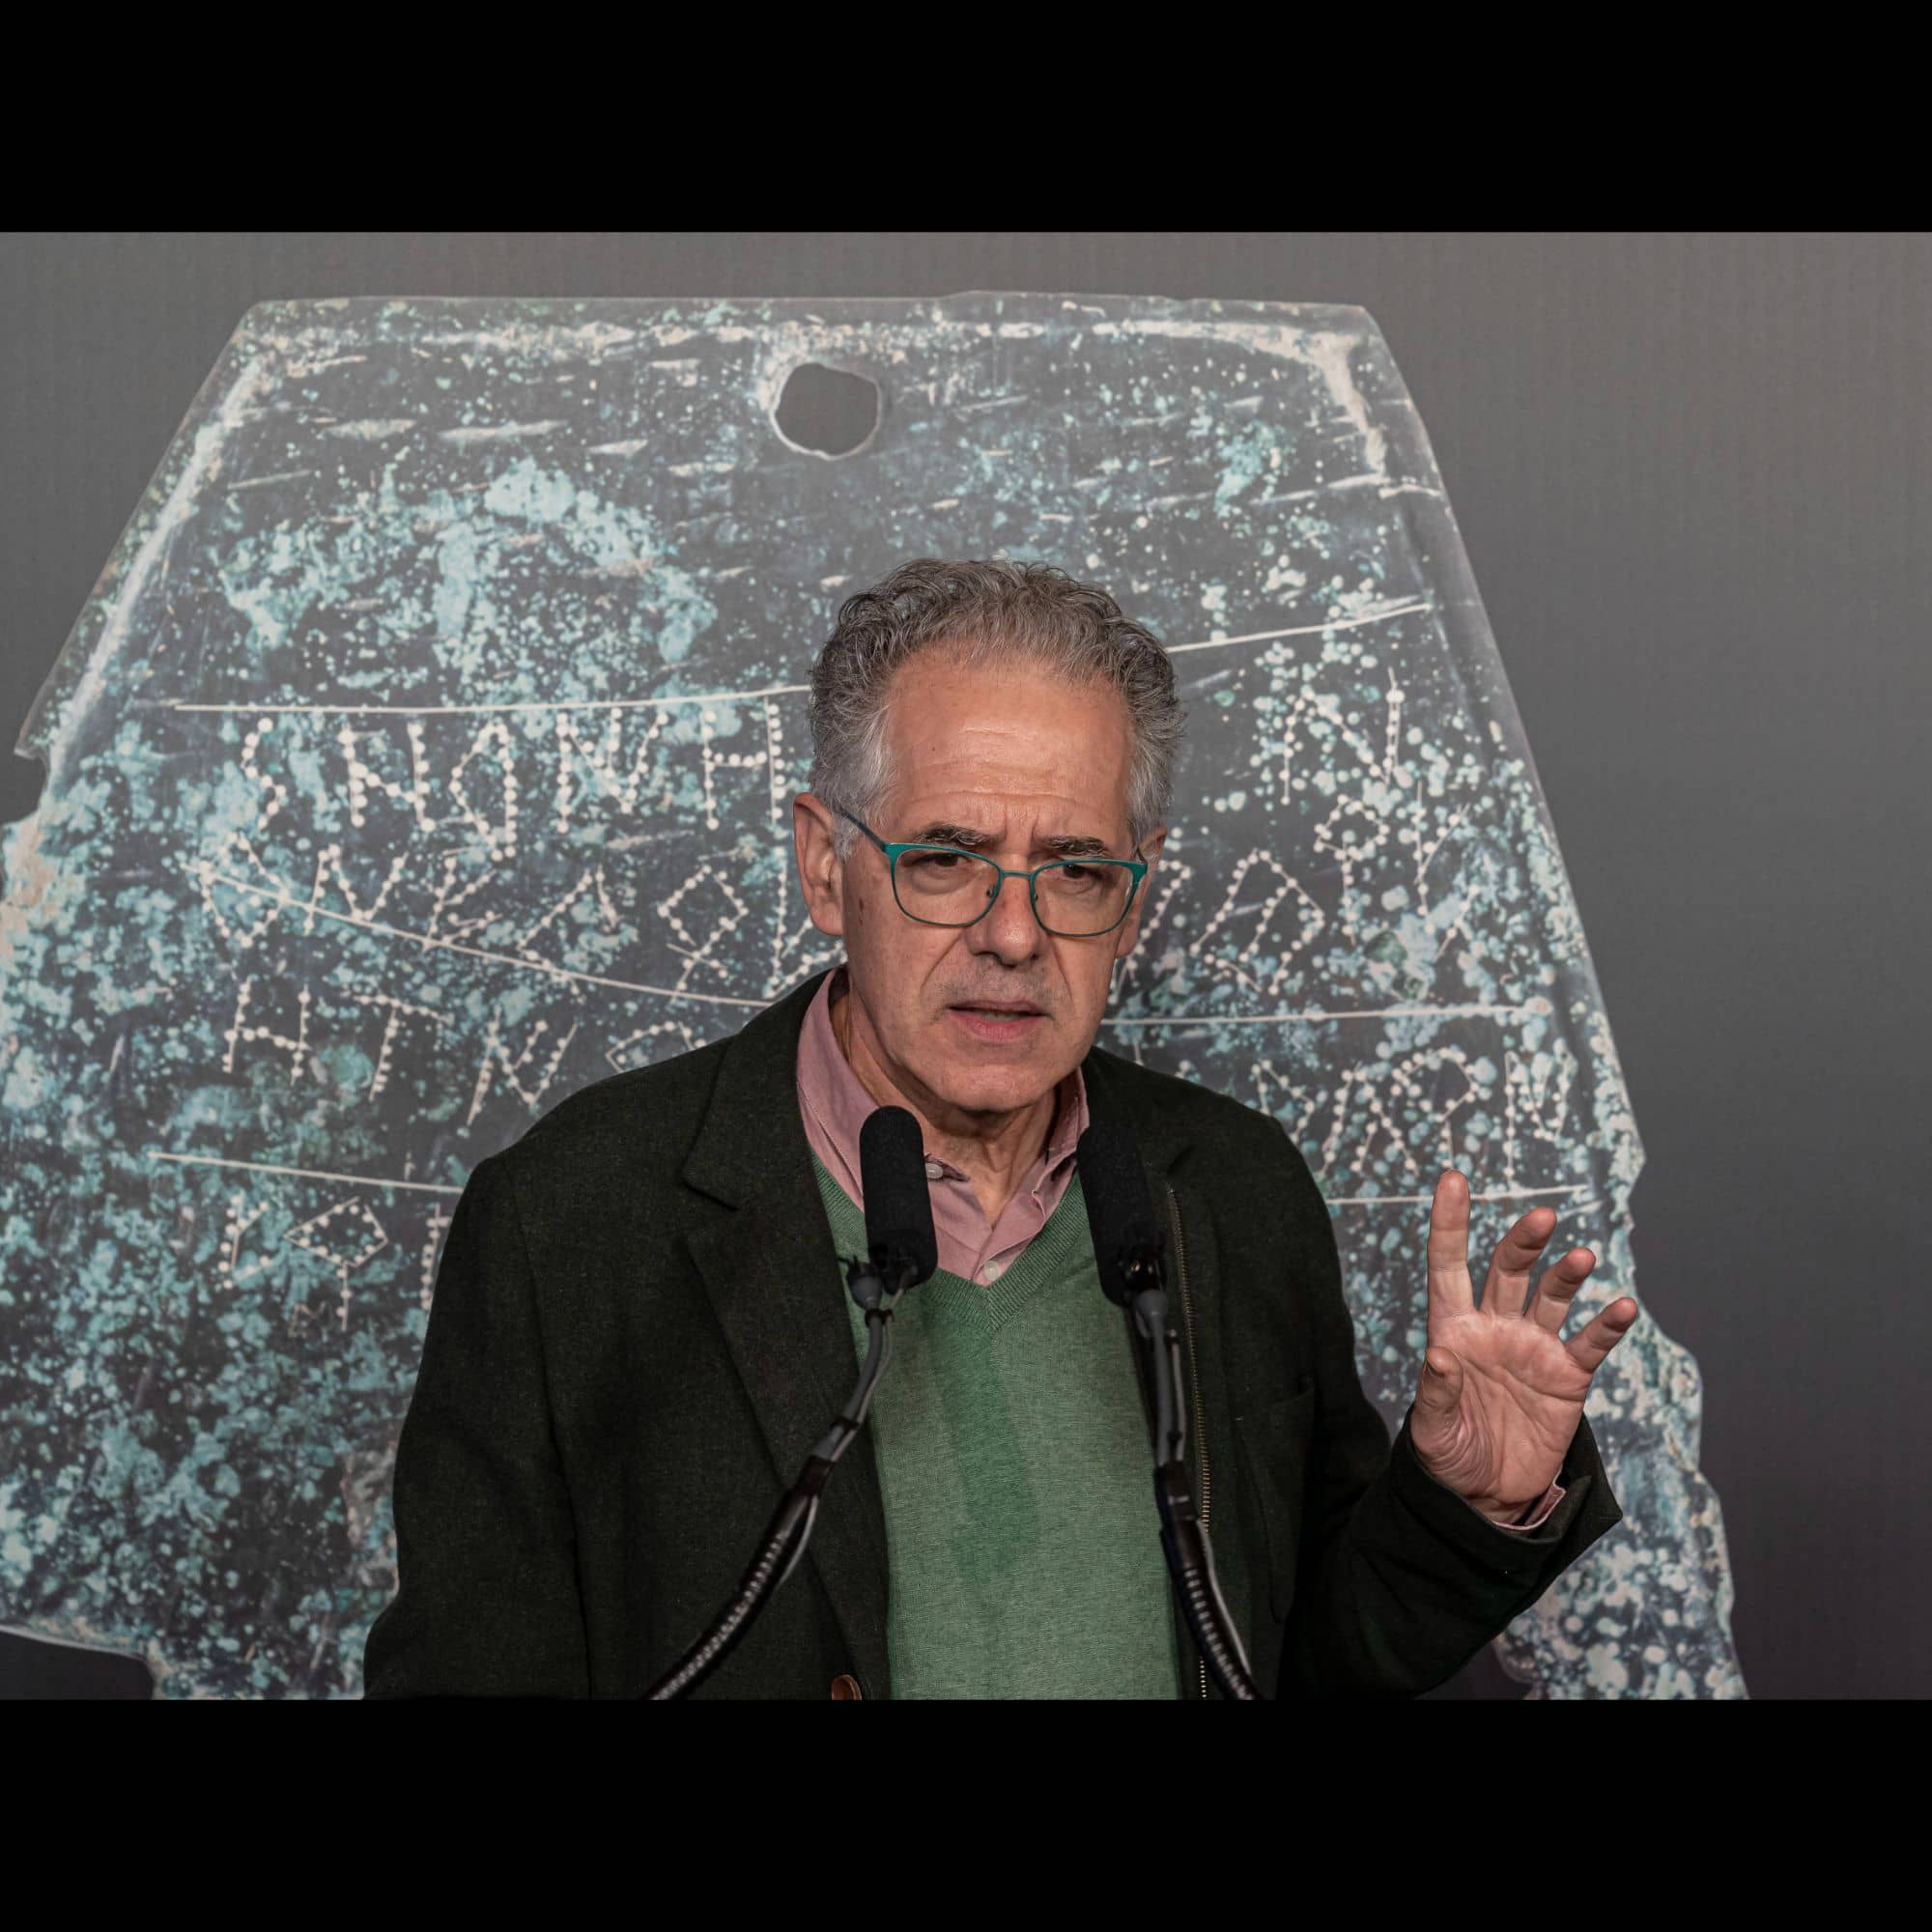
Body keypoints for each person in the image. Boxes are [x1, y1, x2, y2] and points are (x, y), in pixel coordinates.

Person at [362, 557, 1632, 1700]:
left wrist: (1466, 1500)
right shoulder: (573, 1221)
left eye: (1075, 870)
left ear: (1136, 901)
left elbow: (1300, 1659)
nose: (1014, 935)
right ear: (824, 864)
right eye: (948, 859)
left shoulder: (1233, 1191)